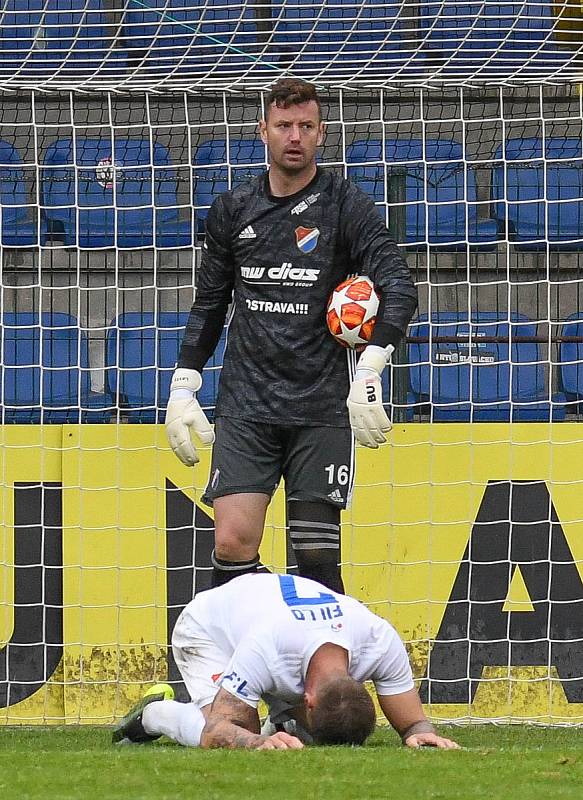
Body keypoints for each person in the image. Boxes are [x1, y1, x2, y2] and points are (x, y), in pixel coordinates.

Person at [165, 78, 418, 593]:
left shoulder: (347, 206)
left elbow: (398, 284)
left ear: (322, 134)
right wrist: (184, 384)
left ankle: (325, 675)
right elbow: (210, 302)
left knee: (317, 556)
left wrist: (371, 366)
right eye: (284, 126)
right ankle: (239, 672)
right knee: (232, 543)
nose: (295, 136)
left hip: (320, 406)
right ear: (263, 131)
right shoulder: (233, 210)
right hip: (247, 404)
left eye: (306, 126)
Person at [112, 573, 459, 751]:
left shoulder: (379, 641)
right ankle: (155, 714)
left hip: (278, 631)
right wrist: (254, 742)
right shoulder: (265, 648)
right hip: (209, 628)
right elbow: (219, 731)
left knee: (301, 739)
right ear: (306, 700)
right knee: (223, 733)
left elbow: (414, 722)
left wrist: (421, 734)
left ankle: (281, 727)